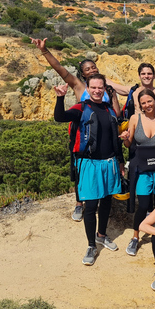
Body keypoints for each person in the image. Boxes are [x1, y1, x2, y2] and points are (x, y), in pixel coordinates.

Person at [33, 37, 122, 222]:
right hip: (83, 134)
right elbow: (60, 68)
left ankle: (101, 200)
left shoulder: (106, 88)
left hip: (104, 135)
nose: (91, 70)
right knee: (80, 170)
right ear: (82, 74)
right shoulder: (79, 86)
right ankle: (79, 204)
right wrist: (44, 50)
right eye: (87, 69)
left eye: (94, 68)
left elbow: (117, 112)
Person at [52, 76, 123, 266]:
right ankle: (91, 245)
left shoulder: (110, 110)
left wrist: (121, 163)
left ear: (105, 90)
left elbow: (115, 139)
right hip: (89, 164)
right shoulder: (81, 108)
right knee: (90, 206)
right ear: (88, 89)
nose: (97, 91)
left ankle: (102, 235)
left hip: (109, 163)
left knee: (107, 201)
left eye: (100, 88)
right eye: (93, 87)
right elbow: (59, 117)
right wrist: (60, 98)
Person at [120, 88, 155, 257]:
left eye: (149, 101)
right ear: (140, 105)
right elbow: (129, 144)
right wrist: (125, 139)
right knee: (143, 205)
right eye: (143, 103)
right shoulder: (135, 118)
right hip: (142, 170)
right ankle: (136, 236)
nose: (147, 105)